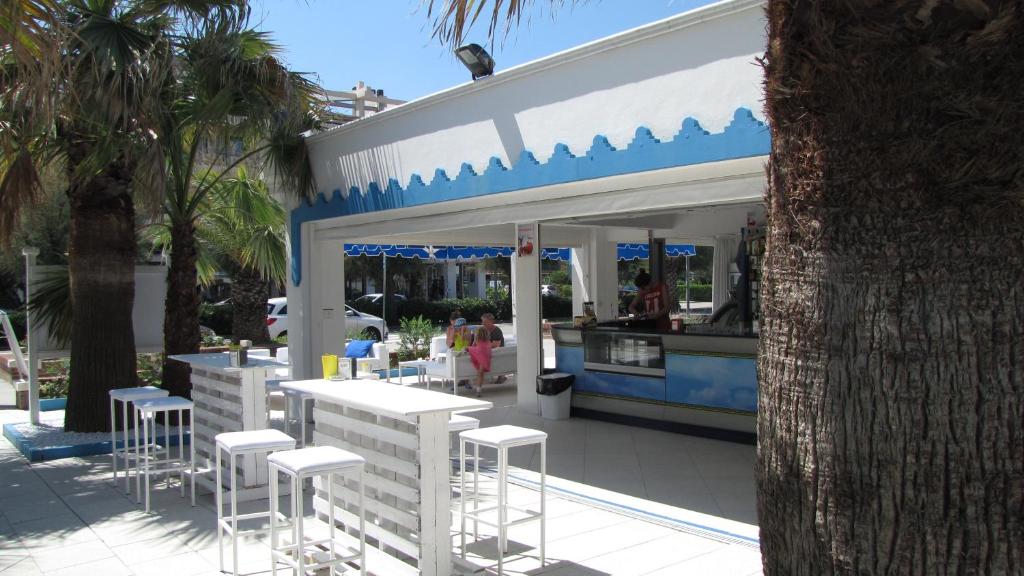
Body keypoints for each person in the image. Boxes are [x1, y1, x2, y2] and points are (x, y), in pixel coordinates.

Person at [469, 313, 505, 396]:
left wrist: (480, 347)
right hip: (487, 353)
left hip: (495, 354)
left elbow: (496, 345)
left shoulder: (496, 331)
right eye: (482, 321)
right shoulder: (483, 331)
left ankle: (472, 383)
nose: (483, 323)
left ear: (491, 321)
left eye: (485, 321)